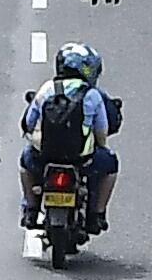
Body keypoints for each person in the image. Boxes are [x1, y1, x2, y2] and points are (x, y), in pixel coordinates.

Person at [19, 44, 120, 235]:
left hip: (45, 158)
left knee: (25, 161)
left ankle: (31, 210)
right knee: (111, 164)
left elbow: (28, 122)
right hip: (82, 160)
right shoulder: (92, 95)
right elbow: (102, 133)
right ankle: (97, 214)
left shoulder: (47, 88)